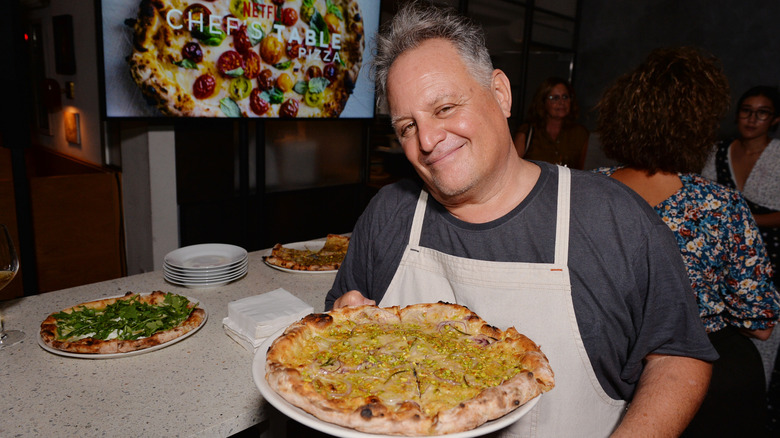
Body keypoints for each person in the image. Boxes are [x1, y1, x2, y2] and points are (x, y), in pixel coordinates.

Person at [325, 2, 717, 436]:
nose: (429, 140)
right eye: (407, 127)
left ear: (500, 94)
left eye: (445, 108)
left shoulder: (613, 217)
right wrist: (348, 323)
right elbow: (340, 312)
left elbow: (677, 356)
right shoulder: (389, 212)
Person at [594, 46, 779, 437]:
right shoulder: (718, 205)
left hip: (602, 368)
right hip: (704, 382)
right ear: (697, 127)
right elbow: (760, 322)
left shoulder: (582, 193)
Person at [702, 86, 780, 433]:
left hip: (770, 256)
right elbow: (701, 202)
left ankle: (756, 409)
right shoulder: (718, 152)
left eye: (761, 112)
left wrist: (741, 219)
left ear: (774, 120)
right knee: (723, 332)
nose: (752, 118)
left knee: (764, 331)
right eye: (747, 110)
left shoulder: (778, 155)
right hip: (721, 257)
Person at [513, 77, 589, 169]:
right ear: (543, 102)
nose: (562, 102)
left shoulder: (580, 134)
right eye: (555, 98)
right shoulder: (527, 132)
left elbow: (586, 171)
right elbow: (513, 169)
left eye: (565, 97)